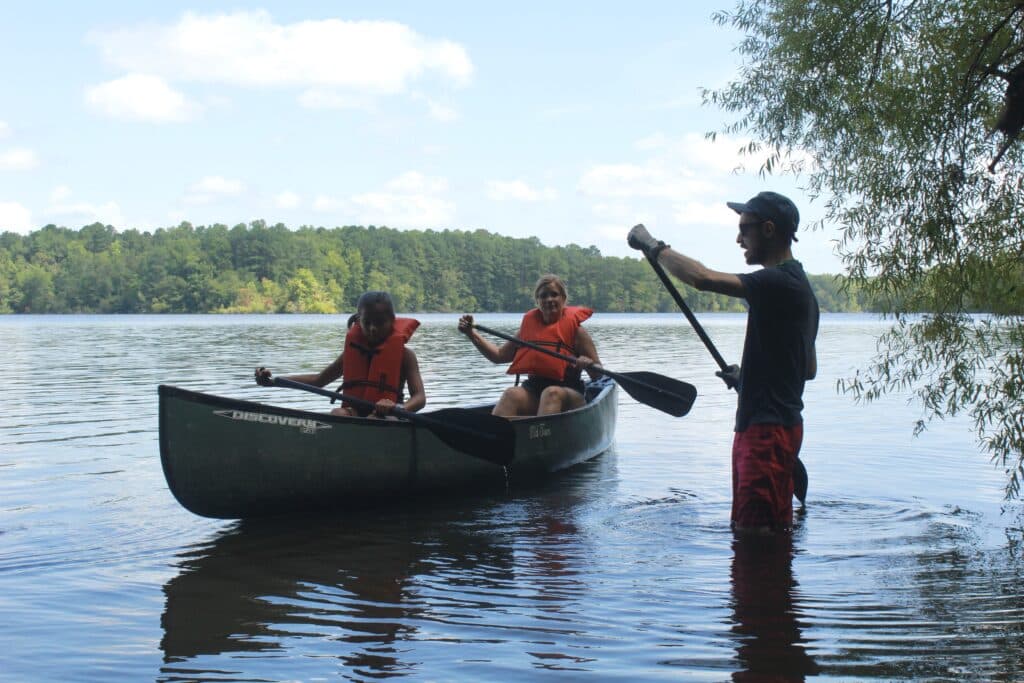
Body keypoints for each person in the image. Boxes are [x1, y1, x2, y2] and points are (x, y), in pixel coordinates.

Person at [627, 191, 819, 534]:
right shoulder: (799, 287)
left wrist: (651, 245)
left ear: (770, 229)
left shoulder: (777, 281)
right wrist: (748, 379)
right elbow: (806, 369)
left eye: (744, 229)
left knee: (755, 538)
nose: (738, 239)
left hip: (766, 435)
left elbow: (702, 278)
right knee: (761, 534)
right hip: (775, 429)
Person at [255, 291, 426, 418]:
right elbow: (319, 380)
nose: (373, 328)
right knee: (338, 413)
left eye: (380, 323)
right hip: (354, 412)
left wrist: (399, 407)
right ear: (359, 322)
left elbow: (420, 398)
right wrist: (274, 381)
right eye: (368, 323)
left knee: (375, 418)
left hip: (390, 415)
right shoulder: (352, 353)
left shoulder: (405, 356)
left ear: (392, 321)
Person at [457, 274, 602, 417]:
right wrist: (471, 333)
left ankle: (540, 438)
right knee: (511, 394)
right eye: (543, 296)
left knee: (551, 393)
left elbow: (598, 374)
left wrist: (588, 364)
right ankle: (495, 437)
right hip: (534, 391)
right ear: (537, 301)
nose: (549, 299)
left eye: (554, 294)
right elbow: (499, 356)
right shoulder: (527, 331)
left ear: (563, 299)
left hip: (569, 395)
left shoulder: (577, 333)